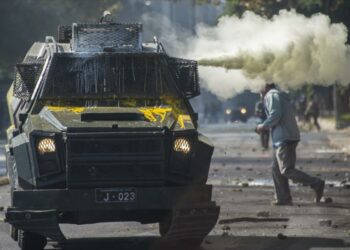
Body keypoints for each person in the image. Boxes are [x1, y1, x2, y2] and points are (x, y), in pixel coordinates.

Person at [255, 83, 325, 206]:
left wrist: (263, 126)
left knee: (286, 170)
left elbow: (275, 114)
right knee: (276, 169)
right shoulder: (278, 94)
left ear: (265, 86)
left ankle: (316, 183)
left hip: (284, 138)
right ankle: (283, 198)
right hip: (285, 137)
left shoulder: (271, 95)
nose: (258, 90)